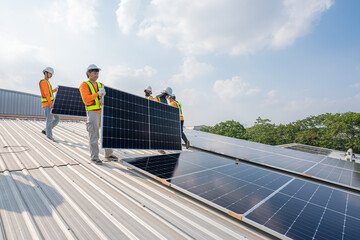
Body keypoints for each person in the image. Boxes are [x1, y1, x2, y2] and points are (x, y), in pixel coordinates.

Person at [79, 64, 118, 165]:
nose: (96, 75)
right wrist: (98, 94)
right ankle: (94, 157)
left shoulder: (101, 85)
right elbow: (86, 100)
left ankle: (109, 155)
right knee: (94, 135)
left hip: (104, 113)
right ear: (88, 73)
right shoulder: (84, 85)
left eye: (97, 73)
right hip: (93, 113)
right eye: (94, 73)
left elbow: (107, 98)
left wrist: (102, 99)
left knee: (107, 134)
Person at [39, 67, 59, 141]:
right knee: (49, 119)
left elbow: (50, 92)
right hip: (47, 104)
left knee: (57, 119)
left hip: (51, 104)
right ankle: (49, 136)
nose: (51, 75)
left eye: (52, 74)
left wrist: (55, 90)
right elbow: (47, 94)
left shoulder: (48, 82)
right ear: (46, 73)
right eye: (50, 73)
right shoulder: (43, 82)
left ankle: (46, 130)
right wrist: (50, 103)